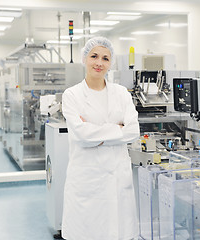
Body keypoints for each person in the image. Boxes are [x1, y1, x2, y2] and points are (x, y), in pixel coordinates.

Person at [61, 36, 140, 240]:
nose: (99, 62)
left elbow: (133, 131)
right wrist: (117, 129)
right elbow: (81, 135)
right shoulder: (72, 95)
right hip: (87, 177)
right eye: (94, 56)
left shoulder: (122, 93)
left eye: (105, 58)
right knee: (87, 232)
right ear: (84, 59)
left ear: (110, 63)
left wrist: (96, 132)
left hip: (117, 177)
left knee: (118, 231)